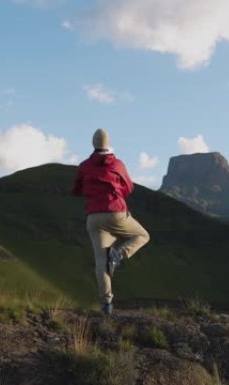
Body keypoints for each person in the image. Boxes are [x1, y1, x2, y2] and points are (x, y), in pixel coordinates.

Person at [71, 128, 150, 315]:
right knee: (142, 235)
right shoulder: (118, 165)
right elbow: (128, 187)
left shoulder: (84, 166)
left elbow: (76, 189)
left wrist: (92, 191)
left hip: (93, 217)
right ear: (108, 144)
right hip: (116, 212)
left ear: (93, 144)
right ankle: (119, 254)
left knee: (100, 260)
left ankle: (107, 305)